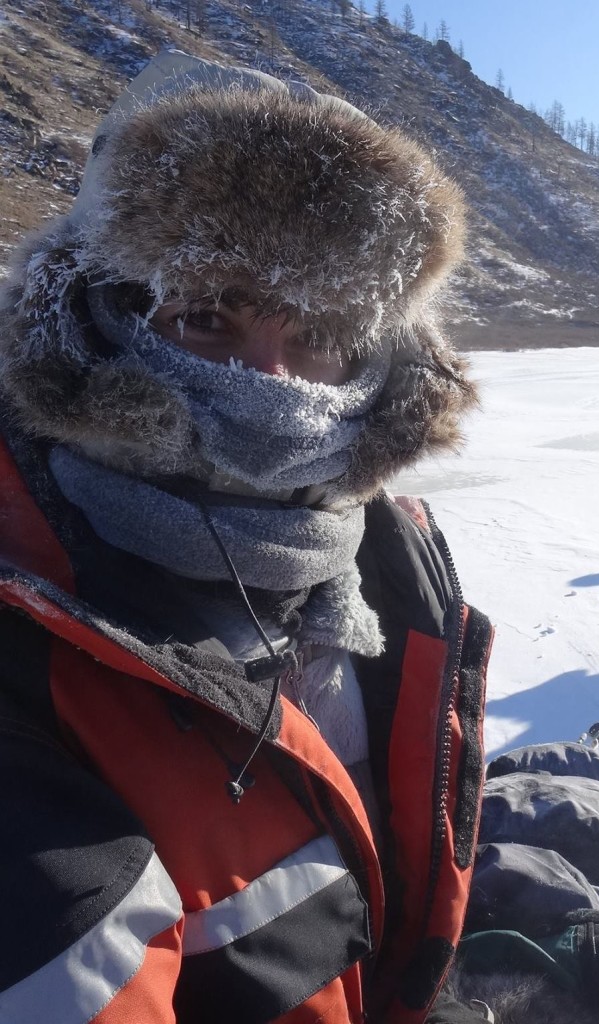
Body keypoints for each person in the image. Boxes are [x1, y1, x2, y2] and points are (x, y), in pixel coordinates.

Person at [0, 49, 492, 1024]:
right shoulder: (25, 622)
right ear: (91, 317)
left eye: (321, 337)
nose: (273, 386)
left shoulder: (386, 553)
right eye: (205, 318)